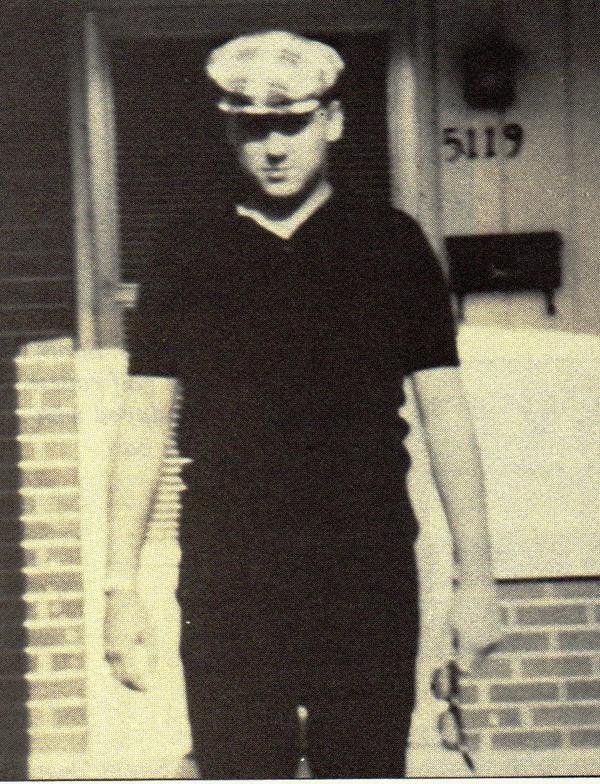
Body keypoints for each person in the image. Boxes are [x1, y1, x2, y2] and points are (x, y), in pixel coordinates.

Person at [104, 30, 502, 778]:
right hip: (231, 573)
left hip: (365, 568)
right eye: (253, 129)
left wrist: (475, 580)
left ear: (333, 121)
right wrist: (119, 590)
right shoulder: (185, 251)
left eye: (291, 124)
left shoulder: (390, 245)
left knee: (364, 767)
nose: (274, 147)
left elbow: (447, 418)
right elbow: (142, 425)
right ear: (230, 132)